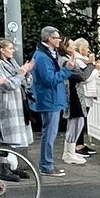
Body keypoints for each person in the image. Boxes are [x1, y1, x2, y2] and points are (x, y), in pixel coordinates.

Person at [31, 26, 76, 175]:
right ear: (50, 39)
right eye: (57, 38)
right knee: (49, 133)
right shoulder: (42, 57)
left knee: (50, 133)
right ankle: (46, 165)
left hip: (52, 98)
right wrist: (67, 70)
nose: (59, 40)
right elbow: (50, 79)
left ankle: (47, 163)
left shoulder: (48, 53)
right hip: (49, 99)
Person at [0, 38, 34, 178]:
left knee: (16, 137)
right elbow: (6, 85)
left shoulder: (12, 62)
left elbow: (23, 83)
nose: (13, 50)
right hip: (5, 104)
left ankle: (13, 166)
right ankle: (5, 167)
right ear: (1, 49)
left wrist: (26, 73)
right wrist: (21, 73)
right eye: (10, 48)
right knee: (6, 137)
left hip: (18, 103)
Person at [71, 38, 100, 156]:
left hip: (88, 92)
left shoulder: (83, 60)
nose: (88, 50)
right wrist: (96, 69)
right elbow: (86, 77)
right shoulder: (79, 60)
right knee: (81, 119)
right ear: (80, 48)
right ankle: (78, 145)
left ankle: (80, 144)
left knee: (83, 119)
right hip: (83, 92)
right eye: (86, 48)